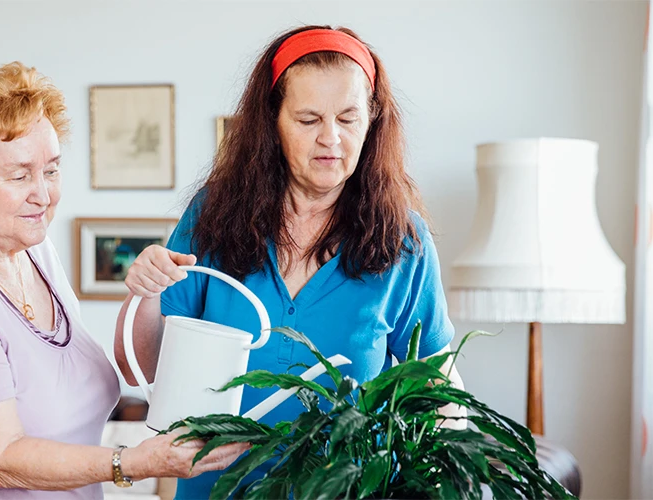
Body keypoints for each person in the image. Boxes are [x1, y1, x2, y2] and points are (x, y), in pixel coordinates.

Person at [114, 25, 466, 498]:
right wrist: (147, 292)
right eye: (308, 120)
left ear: (372, 120)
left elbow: (437, 386)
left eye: (348, 118)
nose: (331, 139)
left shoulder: (404, 241)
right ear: (273, 121)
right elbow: (145, 364)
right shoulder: (214, 213)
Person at [0, 62, 247, 499]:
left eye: (51, 170)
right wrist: (136, 461)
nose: (44, 194)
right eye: (19, 175)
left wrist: (145, 294)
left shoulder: (33, 250)